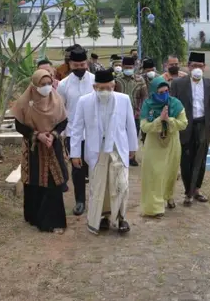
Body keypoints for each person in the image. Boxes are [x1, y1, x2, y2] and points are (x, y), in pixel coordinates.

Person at [69, 70, 138, 235]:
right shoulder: (84, 102)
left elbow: (130, 124)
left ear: (114, 85)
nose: (105, 91)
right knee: (100, 187)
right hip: (96, 151)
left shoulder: (123, 99)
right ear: (94, 87)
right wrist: (75, 154)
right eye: (101, 88)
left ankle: (122, 218)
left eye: (108, 87)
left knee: (122, 185)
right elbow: (77, 129)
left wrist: (132, 147)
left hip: (117, 148)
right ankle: (104, 217)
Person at [12, 70, 68, 233]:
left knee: (54, 183)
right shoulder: (24, 101)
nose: (46, 87)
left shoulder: (56, 99)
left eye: (49, 84)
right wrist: (37, 135)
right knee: (34, 182)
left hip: (52, 146)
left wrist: (53, 135)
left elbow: (63, 121)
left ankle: (53, 222)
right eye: (42, 85)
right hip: (33, 149)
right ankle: (34, 217)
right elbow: (19, 126)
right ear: (34, 85)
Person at [170, 51, 210, 206]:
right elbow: (172, 106)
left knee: (200, 159)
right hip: (185, 125)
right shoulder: (178, 84)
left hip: (203, 125)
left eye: (200, 66)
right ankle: (189, 189)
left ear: (205, 67)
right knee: (186, 159)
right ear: (188, 67)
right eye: (194, 65)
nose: (197, 69)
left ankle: (195, 190)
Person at [140, 76, 187, 217]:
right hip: (154, 145)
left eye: (166, 91)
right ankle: (154, 208)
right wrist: (159, 120)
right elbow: (144, 127)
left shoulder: (176, 104)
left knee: (170, 172)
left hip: (172, 143)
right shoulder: (147, 105)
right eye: (160, 92)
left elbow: (184, 123)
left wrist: (169, 120)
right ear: (153, 92)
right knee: (154, 174)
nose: (164, 94)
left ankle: (168, 196)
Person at [57, 47, 95, 216]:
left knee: (95, 168)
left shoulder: (95, 81)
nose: (80, 68)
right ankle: (80, 201)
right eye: (76, 65)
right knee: (77, 169)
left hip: (94, 133)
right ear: (70, 64)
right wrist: (64, 134)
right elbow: (61, 111)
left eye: (82, 64)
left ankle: (97, 199)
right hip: (73, 134)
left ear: (86, 63)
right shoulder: (63, 85)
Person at [114, 56, 147, 167]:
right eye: (126, 67)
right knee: (120, 135)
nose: (129, 69)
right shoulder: (116, 79)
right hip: (118, 114)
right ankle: (122, 156)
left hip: (135, 113)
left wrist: (143, 110)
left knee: (133, 134)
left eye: (131, 67)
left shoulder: (140, 80)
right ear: (122, 67)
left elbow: (144, 96)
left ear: (134, 67)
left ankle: (132, 157)